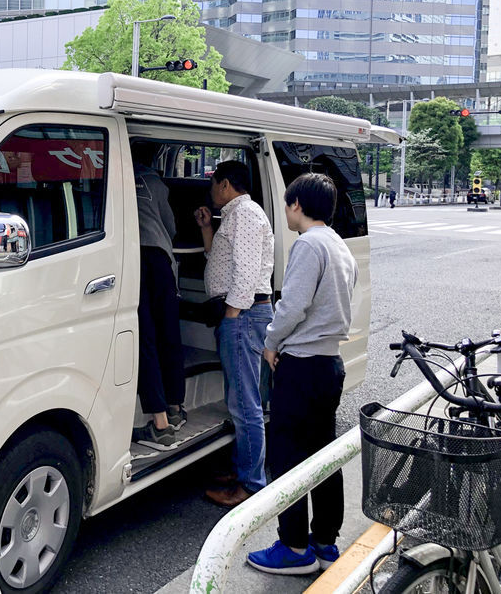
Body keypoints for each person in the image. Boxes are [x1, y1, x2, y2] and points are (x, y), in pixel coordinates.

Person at [246, 172, 358, 576]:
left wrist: (270, 342)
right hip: (329, 364)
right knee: (323, 455)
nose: (287, 211)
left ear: (296, 205)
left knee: (288, 456)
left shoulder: (308, 244)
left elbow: (292, 306)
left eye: (288, 204)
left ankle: (293, 547)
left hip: (302, 364)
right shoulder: (339, 245)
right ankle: (325, 541)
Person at [194, 161, 274, 507]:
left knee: (245, 405)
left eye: (213, 184)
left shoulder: (245, 214)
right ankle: (245, 469)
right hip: (243, 313)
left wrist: (232, 312)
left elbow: (246, 269)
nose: (211, 191)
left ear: (225, 184)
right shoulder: (236, 214)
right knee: (240, 399)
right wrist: (206, 230)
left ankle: (252, 484)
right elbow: (224, 262)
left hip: (244, 315)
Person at [131, 143, 186, 450]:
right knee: (169, 332)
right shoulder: (155, 182)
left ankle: (159, 423)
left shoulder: (117, 177)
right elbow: (171, 227)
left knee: (145, 338)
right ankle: (176, 408)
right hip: (161, 261)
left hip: (132, 260)